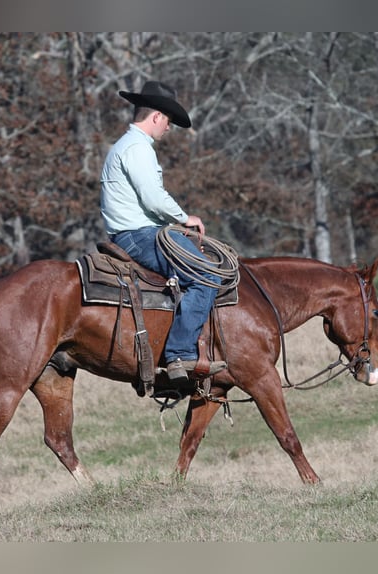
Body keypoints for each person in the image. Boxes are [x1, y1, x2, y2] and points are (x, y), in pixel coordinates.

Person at [100, 80, 226, 385]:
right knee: (207, 275)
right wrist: (186, 218)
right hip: (138, 236)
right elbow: (153, 197)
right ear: (156, 116)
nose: (168, 128)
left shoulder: (128, 146)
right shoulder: (137, 148)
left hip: (137, 232)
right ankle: (179, 353)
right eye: (168, 121)